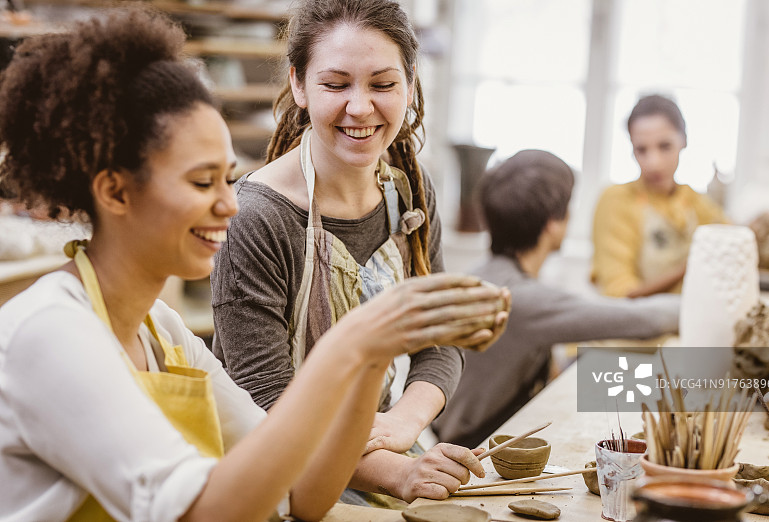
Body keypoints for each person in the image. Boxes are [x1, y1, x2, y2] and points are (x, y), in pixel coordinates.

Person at [0, 9, 509, 520]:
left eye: (227, 178)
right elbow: (202, 511)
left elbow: (298, 487)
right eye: (203, 183)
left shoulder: (166, 334)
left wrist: (371, 361)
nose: (230, 204)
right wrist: (354, 346)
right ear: (114, 190)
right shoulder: (51, 331)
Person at [210, 0, 509, 506]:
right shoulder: (257, 218)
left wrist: (400, 425)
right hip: (276, 480)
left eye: (382, 84)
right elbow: (266, 404)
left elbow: (439, 343)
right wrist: (397, 472)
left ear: (410, 85)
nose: (360, 107)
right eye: (336, 84)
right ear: (299, 85)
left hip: (383, 447)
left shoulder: (409, 191)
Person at [432, 150, 681, 449]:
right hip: (470, 445)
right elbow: (646, 320)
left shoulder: (489, 275)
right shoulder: (517, 298)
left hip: (463, 430)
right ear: (553, 223)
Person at [591, 94, 727, 298]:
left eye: (665, 146)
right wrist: (689, 266)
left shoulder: (695, 202)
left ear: (684, 141)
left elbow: (731, 240)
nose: (653, 163)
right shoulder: (616, 201)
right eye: (641, 149)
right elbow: (621, 295)